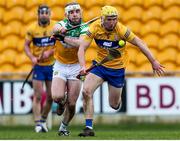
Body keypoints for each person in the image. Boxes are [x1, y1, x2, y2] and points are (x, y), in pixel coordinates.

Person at [77, 5, 165, 136]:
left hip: (117, 70)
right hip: (99, 66)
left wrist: (153, 61)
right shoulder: (94, 27)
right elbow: (82, 48)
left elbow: (140, 43)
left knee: (114, 105)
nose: (112, 22)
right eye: (109, 19)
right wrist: (83, 66)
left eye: (114, 19)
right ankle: (88, 128)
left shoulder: (121, 29)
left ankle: (117, 101)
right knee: (86, 91)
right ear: (102, 19)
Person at [51, 2, 88, 136]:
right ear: (66, 15)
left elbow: (81, 43)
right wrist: (58, 31)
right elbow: (54, 28)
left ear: (81, 13)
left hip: (76, 66)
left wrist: (64, 37)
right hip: (60, 65)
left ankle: (63, 127)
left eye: (77, 11)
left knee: (72, 104)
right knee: (57, 97)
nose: (75, 14)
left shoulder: (85, 27)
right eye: (71, 12)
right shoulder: (62, 24)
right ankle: (61, 103)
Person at [24, 4, 56, 133]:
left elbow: (61, 44)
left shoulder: (55, 27)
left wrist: (51, 52)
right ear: (38, 14)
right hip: (38, 67)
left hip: (52, 65)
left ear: (49, 14)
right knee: (37, 96)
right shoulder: (31, 29)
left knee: (51, 96)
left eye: (46, 13)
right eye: (41, 13)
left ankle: (43, 120)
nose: (44, 15)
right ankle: (37, 124)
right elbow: (26, 46)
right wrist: (32, 57)